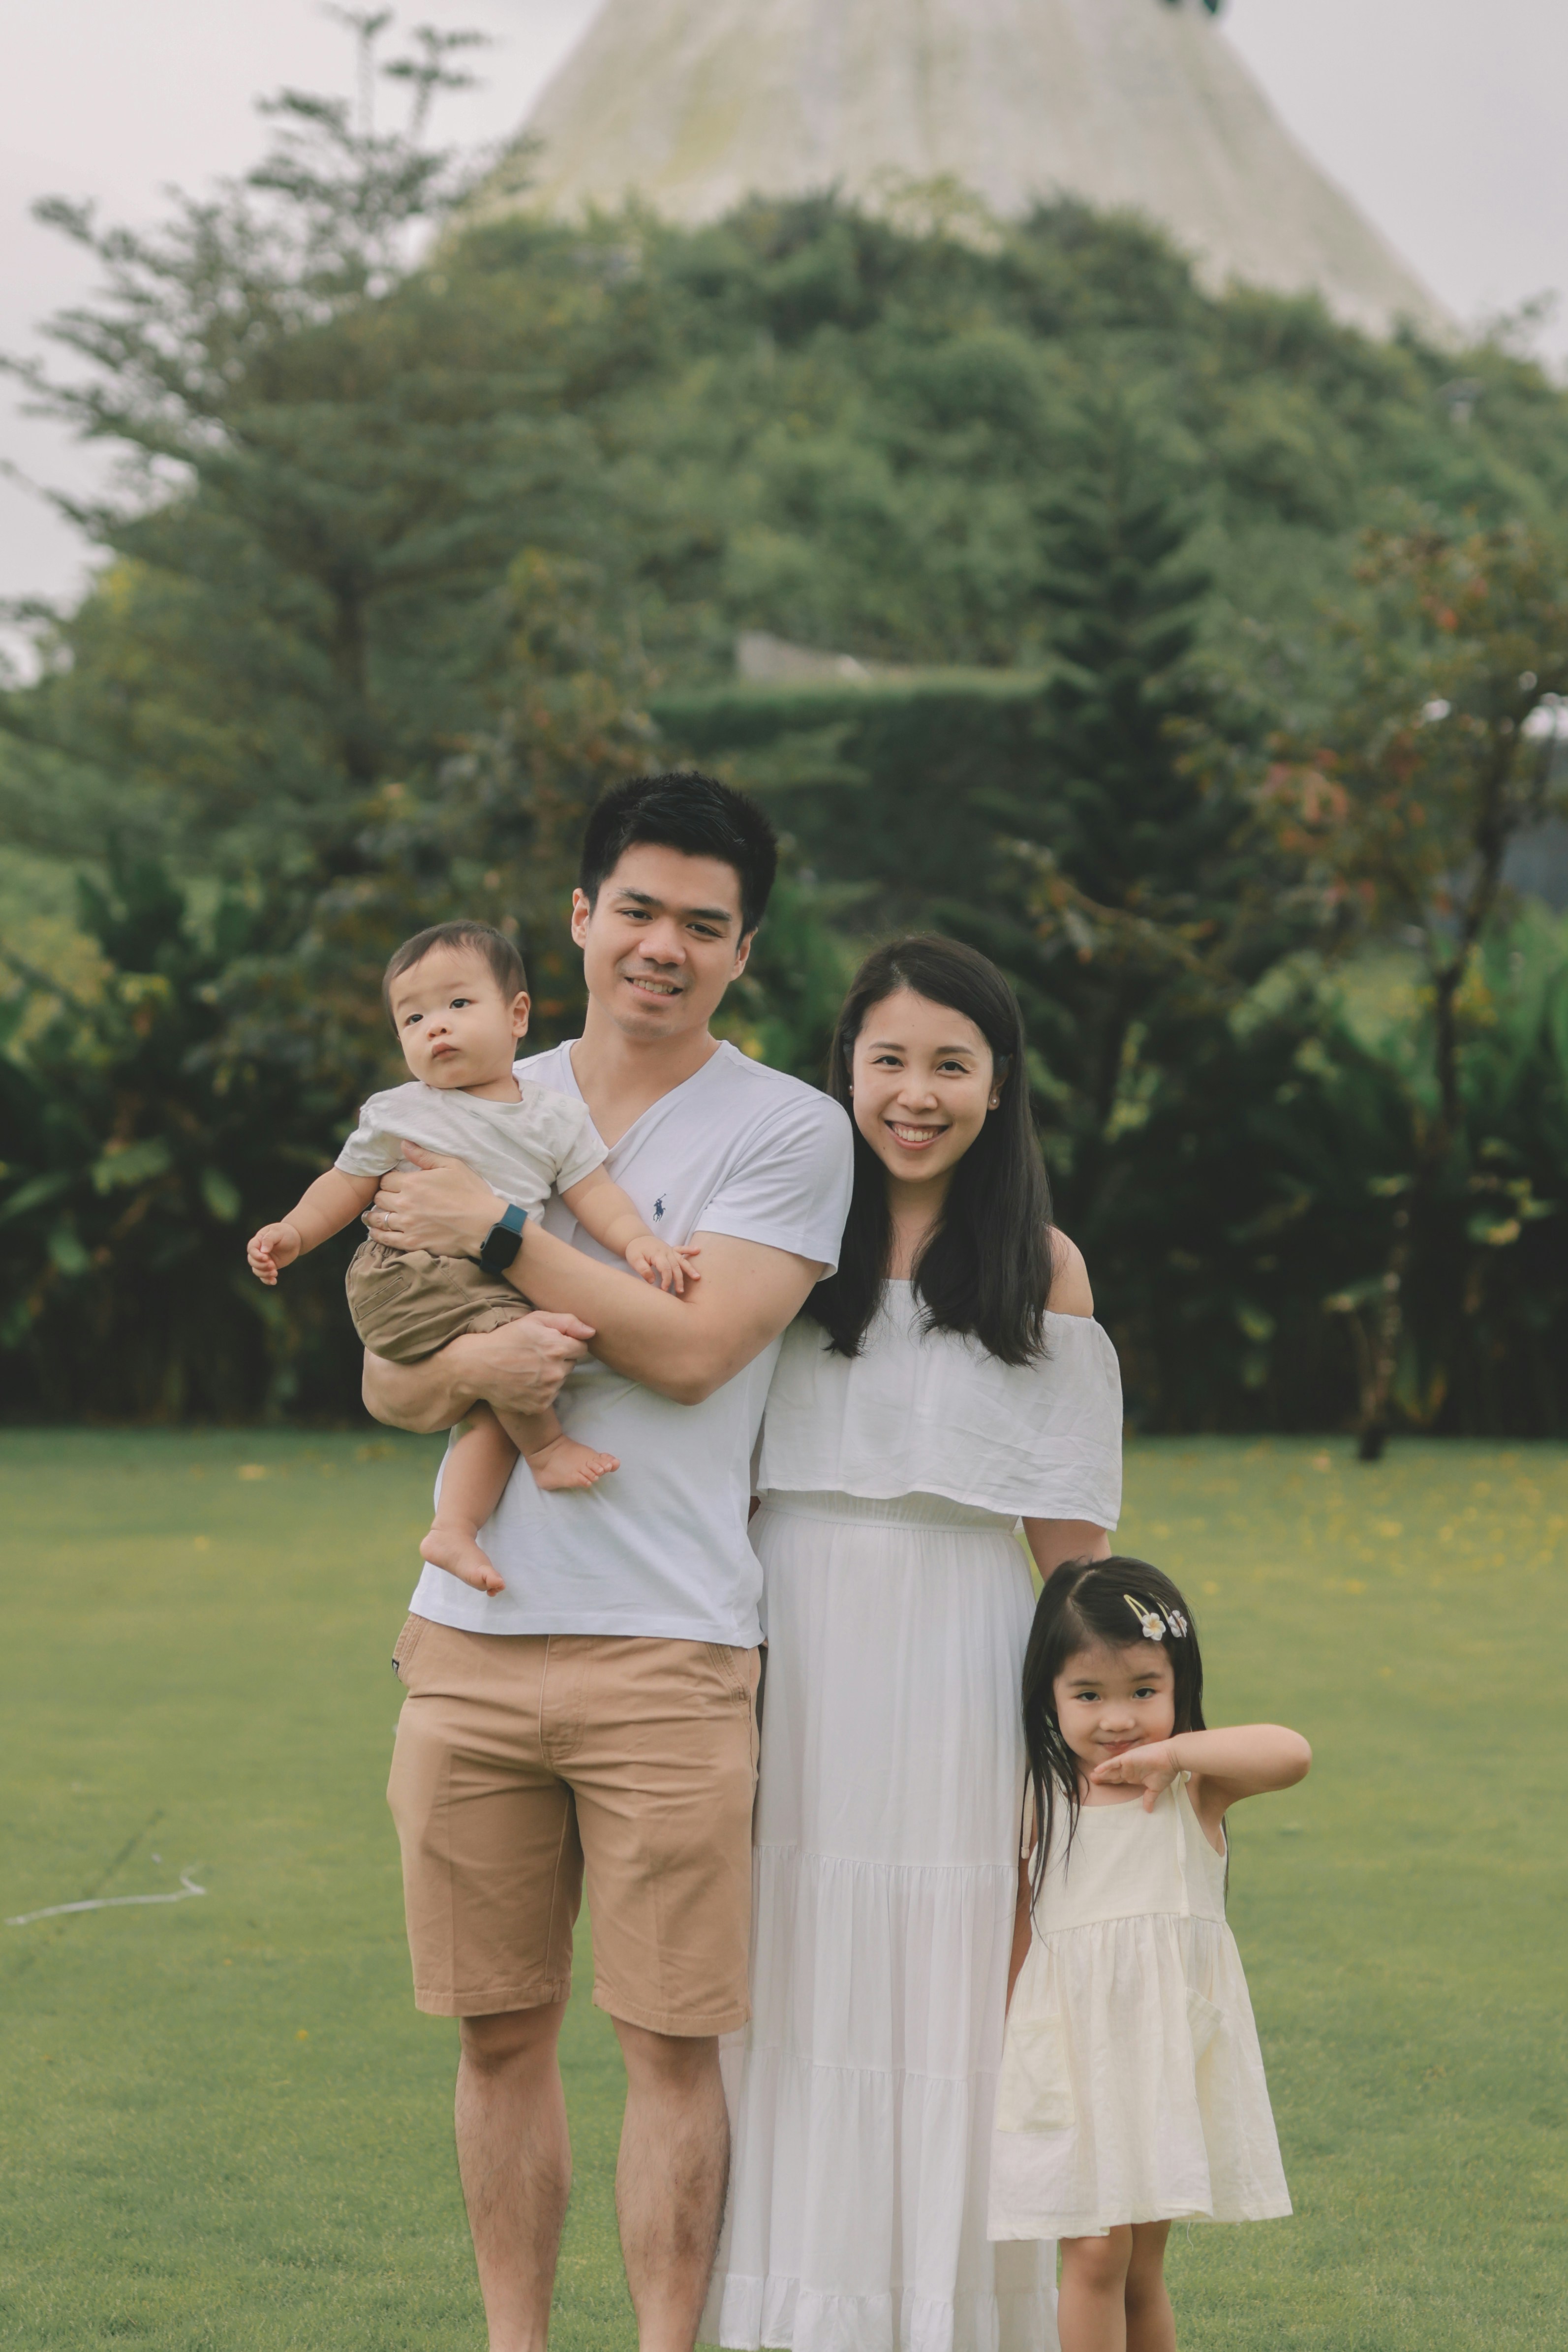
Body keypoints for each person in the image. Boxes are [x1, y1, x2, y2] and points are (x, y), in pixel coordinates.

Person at [356, 772, 854, 2352]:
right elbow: (389, 1380)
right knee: (497, 2034)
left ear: (743, 951)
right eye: (634, 910)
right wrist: (482, 1369)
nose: (661, 947)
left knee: (669, 2046)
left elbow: (699, 1349)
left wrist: (499, 1242)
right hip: (472, 1634)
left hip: (672, 1646)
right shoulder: (471, 1083)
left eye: (701, 925)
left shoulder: (790, 1127)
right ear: (575, 920)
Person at [704, 935, 1124, 2352]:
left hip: (960, 1656)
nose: (915, 1092)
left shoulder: (1039, 1268)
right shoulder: (779, 1240)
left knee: (958, 1990)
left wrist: (1119, 1746)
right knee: (790, 1985)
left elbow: (1072, 1555)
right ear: (844, 1071)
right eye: (887, 1059)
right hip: (791, 1641)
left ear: (997, 1086)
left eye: (950, 1063)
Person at [246, 918, 699, 1594]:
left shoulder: (553, 1118)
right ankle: (544, 1451)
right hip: (406, 1274)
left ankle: (453, 1528)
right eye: (414, 1017)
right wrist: (294, 1232)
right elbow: (346, 1184)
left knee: (505, 1383)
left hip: (487, 1279)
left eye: (459, 1005)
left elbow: (595, 1194)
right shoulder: (401, 1111)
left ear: (517, 1015)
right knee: (524, 1347)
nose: (437, 1026)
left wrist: (638, 1241)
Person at [991, 1557, 1310, 2352]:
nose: (1118, 1719)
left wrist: (1175, 1756)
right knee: (1094, 2252)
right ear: (1049, 1695)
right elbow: (1018, 1937)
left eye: (1143, 1690)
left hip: (1159, 2060)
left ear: (1178, 1685)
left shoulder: (1189, 1790)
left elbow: (1292, 1753)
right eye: (1088, 1695)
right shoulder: (1038, 1795)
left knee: (1139, 2268)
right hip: (1069, 2058)